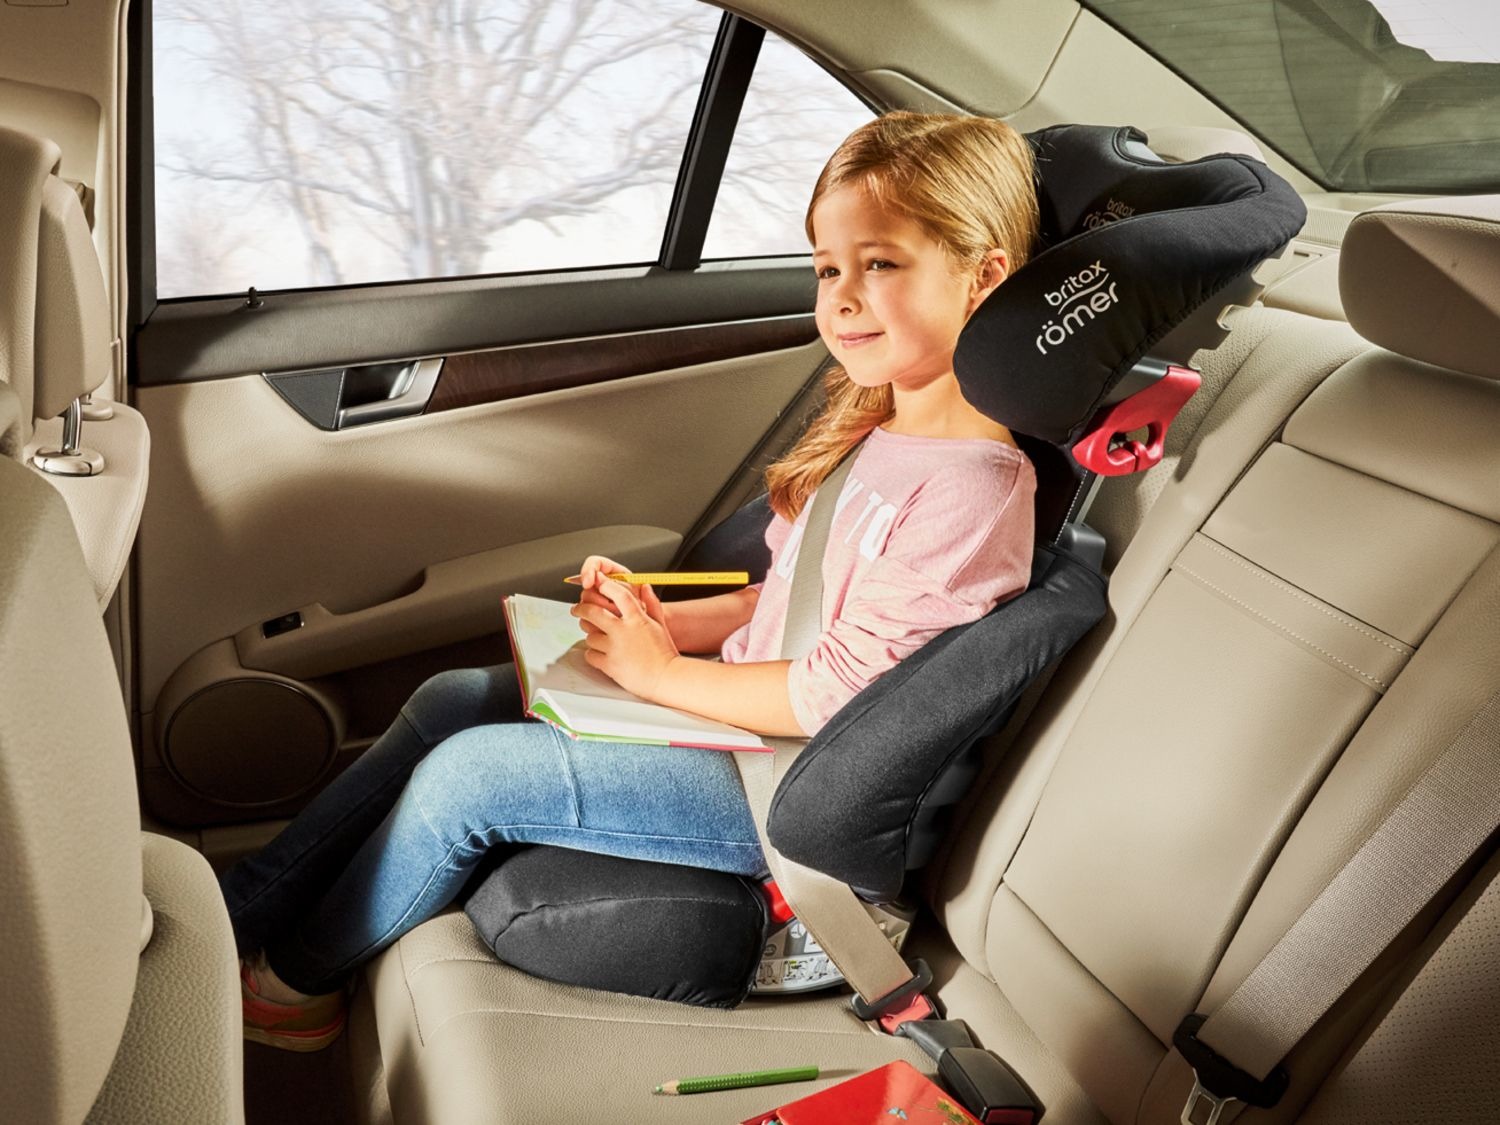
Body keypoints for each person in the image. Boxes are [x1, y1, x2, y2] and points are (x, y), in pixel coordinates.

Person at [222, 110, 1040, 1051]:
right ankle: (242, 911)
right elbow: (782, 600)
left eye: (881, 263)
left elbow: (837, 695)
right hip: (742, 729)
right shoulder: (876, 435)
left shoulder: (976, 491)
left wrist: (659, 674)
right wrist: (666, 625)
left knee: (471, 776)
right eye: (826, 269)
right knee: (453, 697)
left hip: (790, 797)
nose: (844, 297)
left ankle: (294, 985)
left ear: (984, 275)